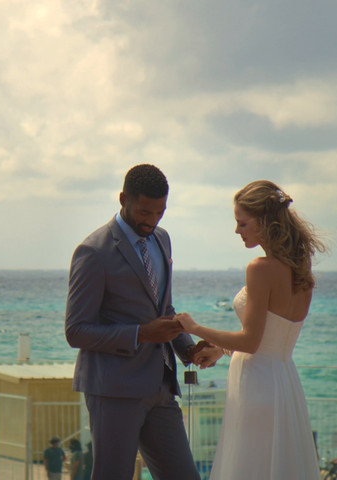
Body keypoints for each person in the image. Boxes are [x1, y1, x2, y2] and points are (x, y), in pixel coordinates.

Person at [65, 164, 219, 480]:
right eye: (144, 212)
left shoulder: (162, 240)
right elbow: (76, 331)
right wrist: (142, 334)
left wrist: (188, 350)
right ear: (123, 199)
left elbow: (164, 308)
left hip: (161, 386)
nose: (152, 221)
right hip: (113, 388)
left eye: (160, 212)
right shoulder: (93, 252)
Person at [176, 180, 326, 480]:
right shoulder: (300, 266)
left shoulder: (260, 268)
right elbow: (273, 337)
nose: (237, 231)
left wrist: (194, 327)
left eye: (242, 223)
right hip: (284, 382)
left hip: (256, 385)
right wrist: (221, 348)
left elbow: (252, 341)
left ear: (265, 222)